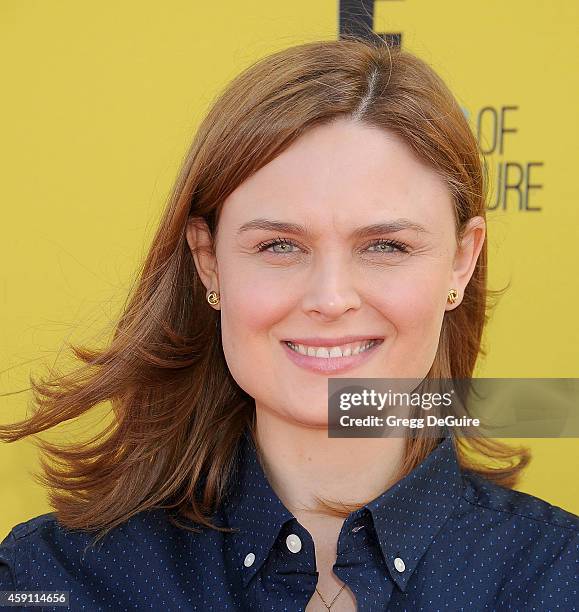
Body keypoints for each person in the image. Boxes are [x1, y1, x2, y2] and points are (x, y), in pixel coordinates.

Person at [0, 36, 577, 612]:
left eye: (385, 246)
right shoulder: (56, 578)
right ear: (209, 261)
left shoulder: (558, 578)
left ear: (461, 259)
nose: (330, 298)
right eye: (279, 245)